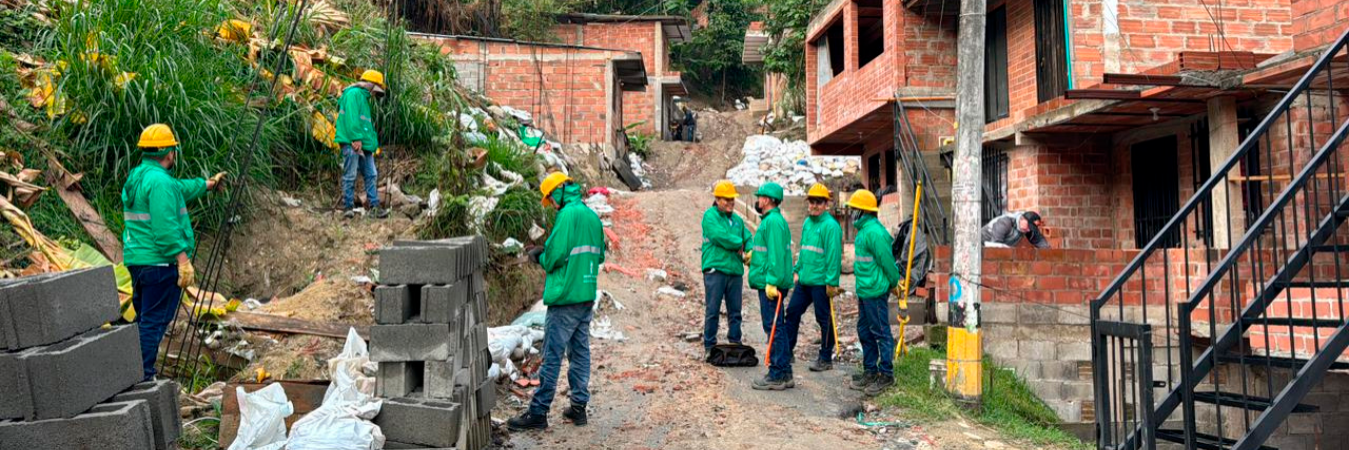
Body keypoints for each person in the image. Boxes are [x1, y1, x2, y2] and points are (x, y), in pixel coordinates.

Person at [122, 123, 226, 381]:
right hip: (160, 264)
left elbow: (180, 189)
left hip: (139, 262)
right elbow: (166, 227)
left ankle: (132, 372)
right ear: (169, 152)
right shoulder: (160, 183)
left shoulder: (139, 176)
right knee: (154, 322)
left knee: (145, 318)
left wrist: (208, 184)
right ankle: (143, 377)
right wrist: (183, 261)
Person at [508, 172, 606, 431]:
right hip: (586, 294)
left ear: (559, 192)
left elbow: (554, 258)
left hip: (565, 297)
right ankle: (578, 408)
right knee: (580, 352)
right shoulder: (592, 216)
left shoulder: (567, 216)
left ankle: (538, 412)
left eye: (550, 198)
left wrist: (538, 256)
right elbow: (600, 257)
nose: (551, 204)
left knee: (552, 356)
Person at [758, 184, 842, 390]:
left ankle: (825, 356)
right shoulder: (807, 223)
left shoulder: (831, 226)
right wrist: (797, 269)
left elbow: (833, 256)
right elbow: (804, 251)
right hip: (805, 279)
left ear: (825, 204)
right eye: (812, 201)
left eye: (818, 202)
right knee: (792, 313)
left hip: (821, 281)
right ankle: (787, 352)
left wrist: (832, 282)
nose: (814, 205)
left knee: (824, 319)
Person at [845, 189, 903, 396]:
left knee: (880, 332)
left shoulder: (875, 233)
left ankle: (886, 374)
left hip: (876, 291)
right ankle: (870, 370)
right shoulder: (865, 232)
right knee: (865, 331)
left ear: (863, 212)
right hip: (865, 290)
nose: (852, 214)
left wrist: (895, 282)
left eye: (854, 210)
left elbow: (887, 261)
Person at [747, 182, 795, 390]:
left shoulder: (773, 222)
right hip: (769, 281)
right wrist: (754, 257)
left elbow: (775, 255)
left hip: (770, 284)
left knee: (773, 327)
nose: (757, 201)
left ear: (766, 200)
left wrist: (772, 281)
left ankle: (777, 373)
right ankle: (784, 372)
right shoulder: (772, 221)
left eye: (759, 198)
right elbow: (768, 251)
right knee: (778, 327)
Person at [701, 180, 751, 358]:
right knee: (713, 309)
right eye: (727, 199)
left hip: (734, 271)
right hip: (716, 269)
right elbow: (719, 236)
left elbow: (748, 237)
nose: (731, 202)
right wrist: (739, 243)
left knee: (735, 311)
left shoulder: (737, 220)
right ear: (717, 199)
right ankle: (709, 345)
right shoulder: (710, 216)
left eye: (732, 199)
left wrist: (749, 248)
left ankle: (735, 343)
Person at [335, 69, 388, 219]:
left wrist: (370, 145)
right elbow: (352, 119)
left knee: (371, 174)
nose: (374, 94)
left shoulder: (362, 98)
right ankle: (348, 207)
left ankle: (374, 207)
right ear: (371, 85)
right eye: (375, 90)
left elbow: (364, 123)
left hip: (363, 144)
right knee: (350, 175)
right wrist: (356, 139)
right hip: (353, 142)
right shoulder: (353, 94)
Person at [981, 211, 1049, 248]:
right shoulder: (1005, 222)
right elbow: (995, 246)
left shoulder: (1027, 227)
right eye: (1029, 226)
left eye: (1032, 228)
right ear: (1022, 219)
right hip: (982, 245)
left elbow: (1042, 244)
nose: (1029, 230)